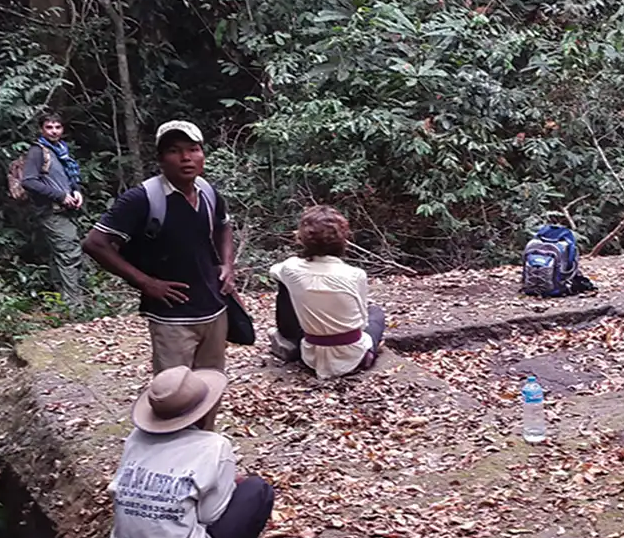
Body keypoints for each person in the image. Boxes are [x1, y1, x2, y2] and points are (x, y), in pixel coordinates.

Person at [84, 121, 238, 393]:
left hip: (214, 309)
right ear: (160, 159)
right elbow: (95, 243)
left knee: (212, 386)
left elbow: (224, 225)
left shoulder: (209, 193)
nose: (186, 158)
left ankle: (206, 436)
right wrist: (146, 282)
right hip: (171, 319)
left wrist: (227, 264)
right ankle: (173, 437)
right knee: (173, 394)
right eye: (174, 151)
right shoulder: (141, 199)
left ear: (203, 154)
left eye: (193, 149)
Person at [106, 364, 274, 538]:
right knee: (258, 490)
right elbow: (210, 515)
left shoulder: (135, 439)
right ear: (204, 411)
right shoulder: (213, 446)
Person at [269, 205, 386, 378]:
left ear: (301, 239)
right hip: (352, 356)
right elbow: (362, 323)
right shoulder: (356, 275)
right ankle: (369, 353)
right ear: (343, 239)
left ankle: (291, 340)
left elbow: (273, 272)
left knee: (285, 285)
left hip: (310, 356)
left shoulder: (290, 269)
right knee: (376, 313)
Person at [21, 112, 85, 311]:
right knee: (70, 253)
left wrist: (76, 191)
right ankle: (74, 307)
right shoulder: (38, 151)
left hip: (66, 209)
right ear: (41, 129)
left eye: (57, 127)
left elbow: (68, 178)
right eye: (49, 127)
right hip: (51, 211)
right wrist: (59, 196)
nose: (54, 131)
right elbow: (28, 181)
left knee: (61, 255)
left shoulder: (61, 151)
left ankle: (61, 303)